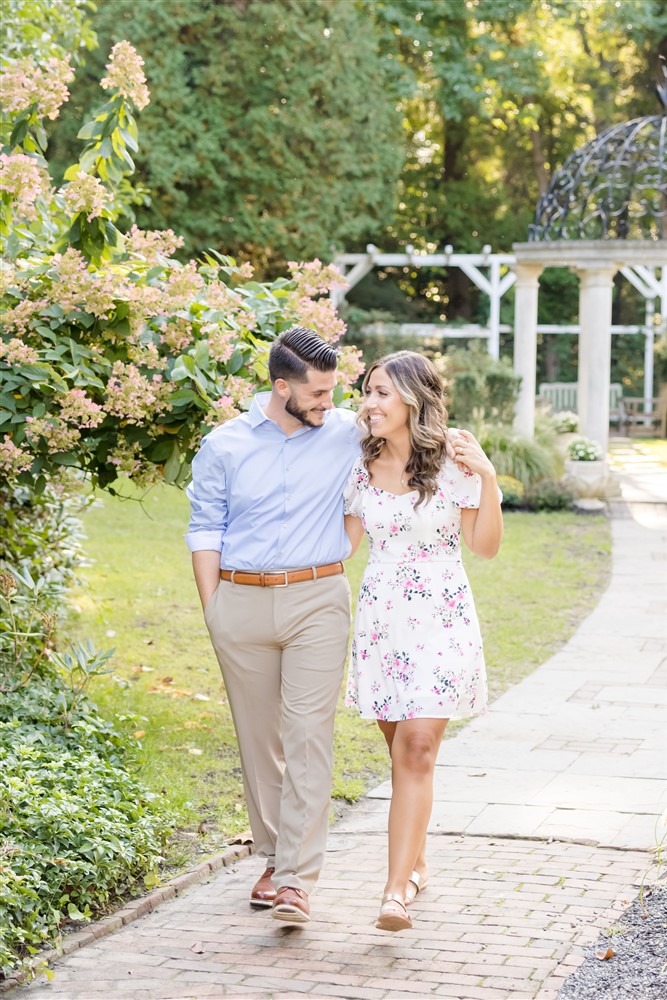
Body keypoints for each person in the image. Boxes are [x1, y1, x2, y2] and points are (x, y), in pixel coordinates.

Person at [185, 326, 359, 924]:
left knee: (308, 733)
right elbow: (206, 528)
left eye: (333, 391)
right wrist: (215, 611)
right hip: (241, 602)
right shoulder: (224, 445)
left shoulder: (345, 432)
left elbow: (409, 441)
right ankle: (273, 854)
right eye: (316, 394)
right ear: (281, 386)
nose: (327, 403)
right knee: (260, 741)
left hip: (318, 599)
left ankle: (294, 879)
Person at [343, 350, 503, 932]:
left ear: (412, 397)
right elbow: (343, 547)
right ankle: (416, 863)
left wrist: (487, 477)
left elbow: (484, 547)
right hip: (383, 621)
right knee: (399, 751)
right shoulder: (359, 467)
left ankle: (393, 894)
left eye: (381, 392)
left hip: (441, 615)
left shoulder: (457, 462)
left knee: (416, 749)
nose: (369, 402)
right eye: (366, 392)